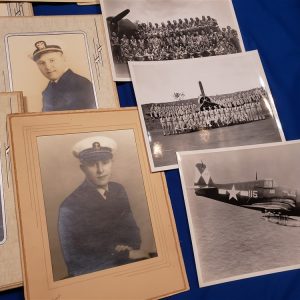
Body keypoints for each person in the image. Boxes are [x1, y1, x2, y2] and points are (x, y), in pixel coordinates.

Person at [58, 136, 147, 277]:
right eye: (93, 164)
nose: (100, 170)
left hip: (126, 263)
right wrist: (123, 254)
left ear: (112, 162)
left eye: (105, 162)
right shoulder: (70, 207)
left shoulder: (118, 190)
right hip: (95, 275)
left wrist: (128, 247)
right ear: (83, 168)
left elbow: (133, 232)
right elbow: (76, 261)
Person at [32, 41, 97, 111]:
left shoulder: (81, 84)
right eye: (42, 63)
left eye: (52, 60)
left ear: (63, 58)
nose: (48, 67)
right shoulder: (48, 89)